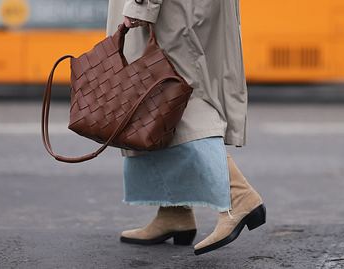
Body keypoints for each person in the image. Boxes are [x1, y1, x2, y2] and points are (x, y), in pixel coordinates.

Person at [106, 0, 266, 255]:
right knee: (158, 99)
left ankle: (239, 196)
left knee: (174, 95)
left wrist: (142, 4)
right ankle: (174, 210)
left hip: (171, 8)